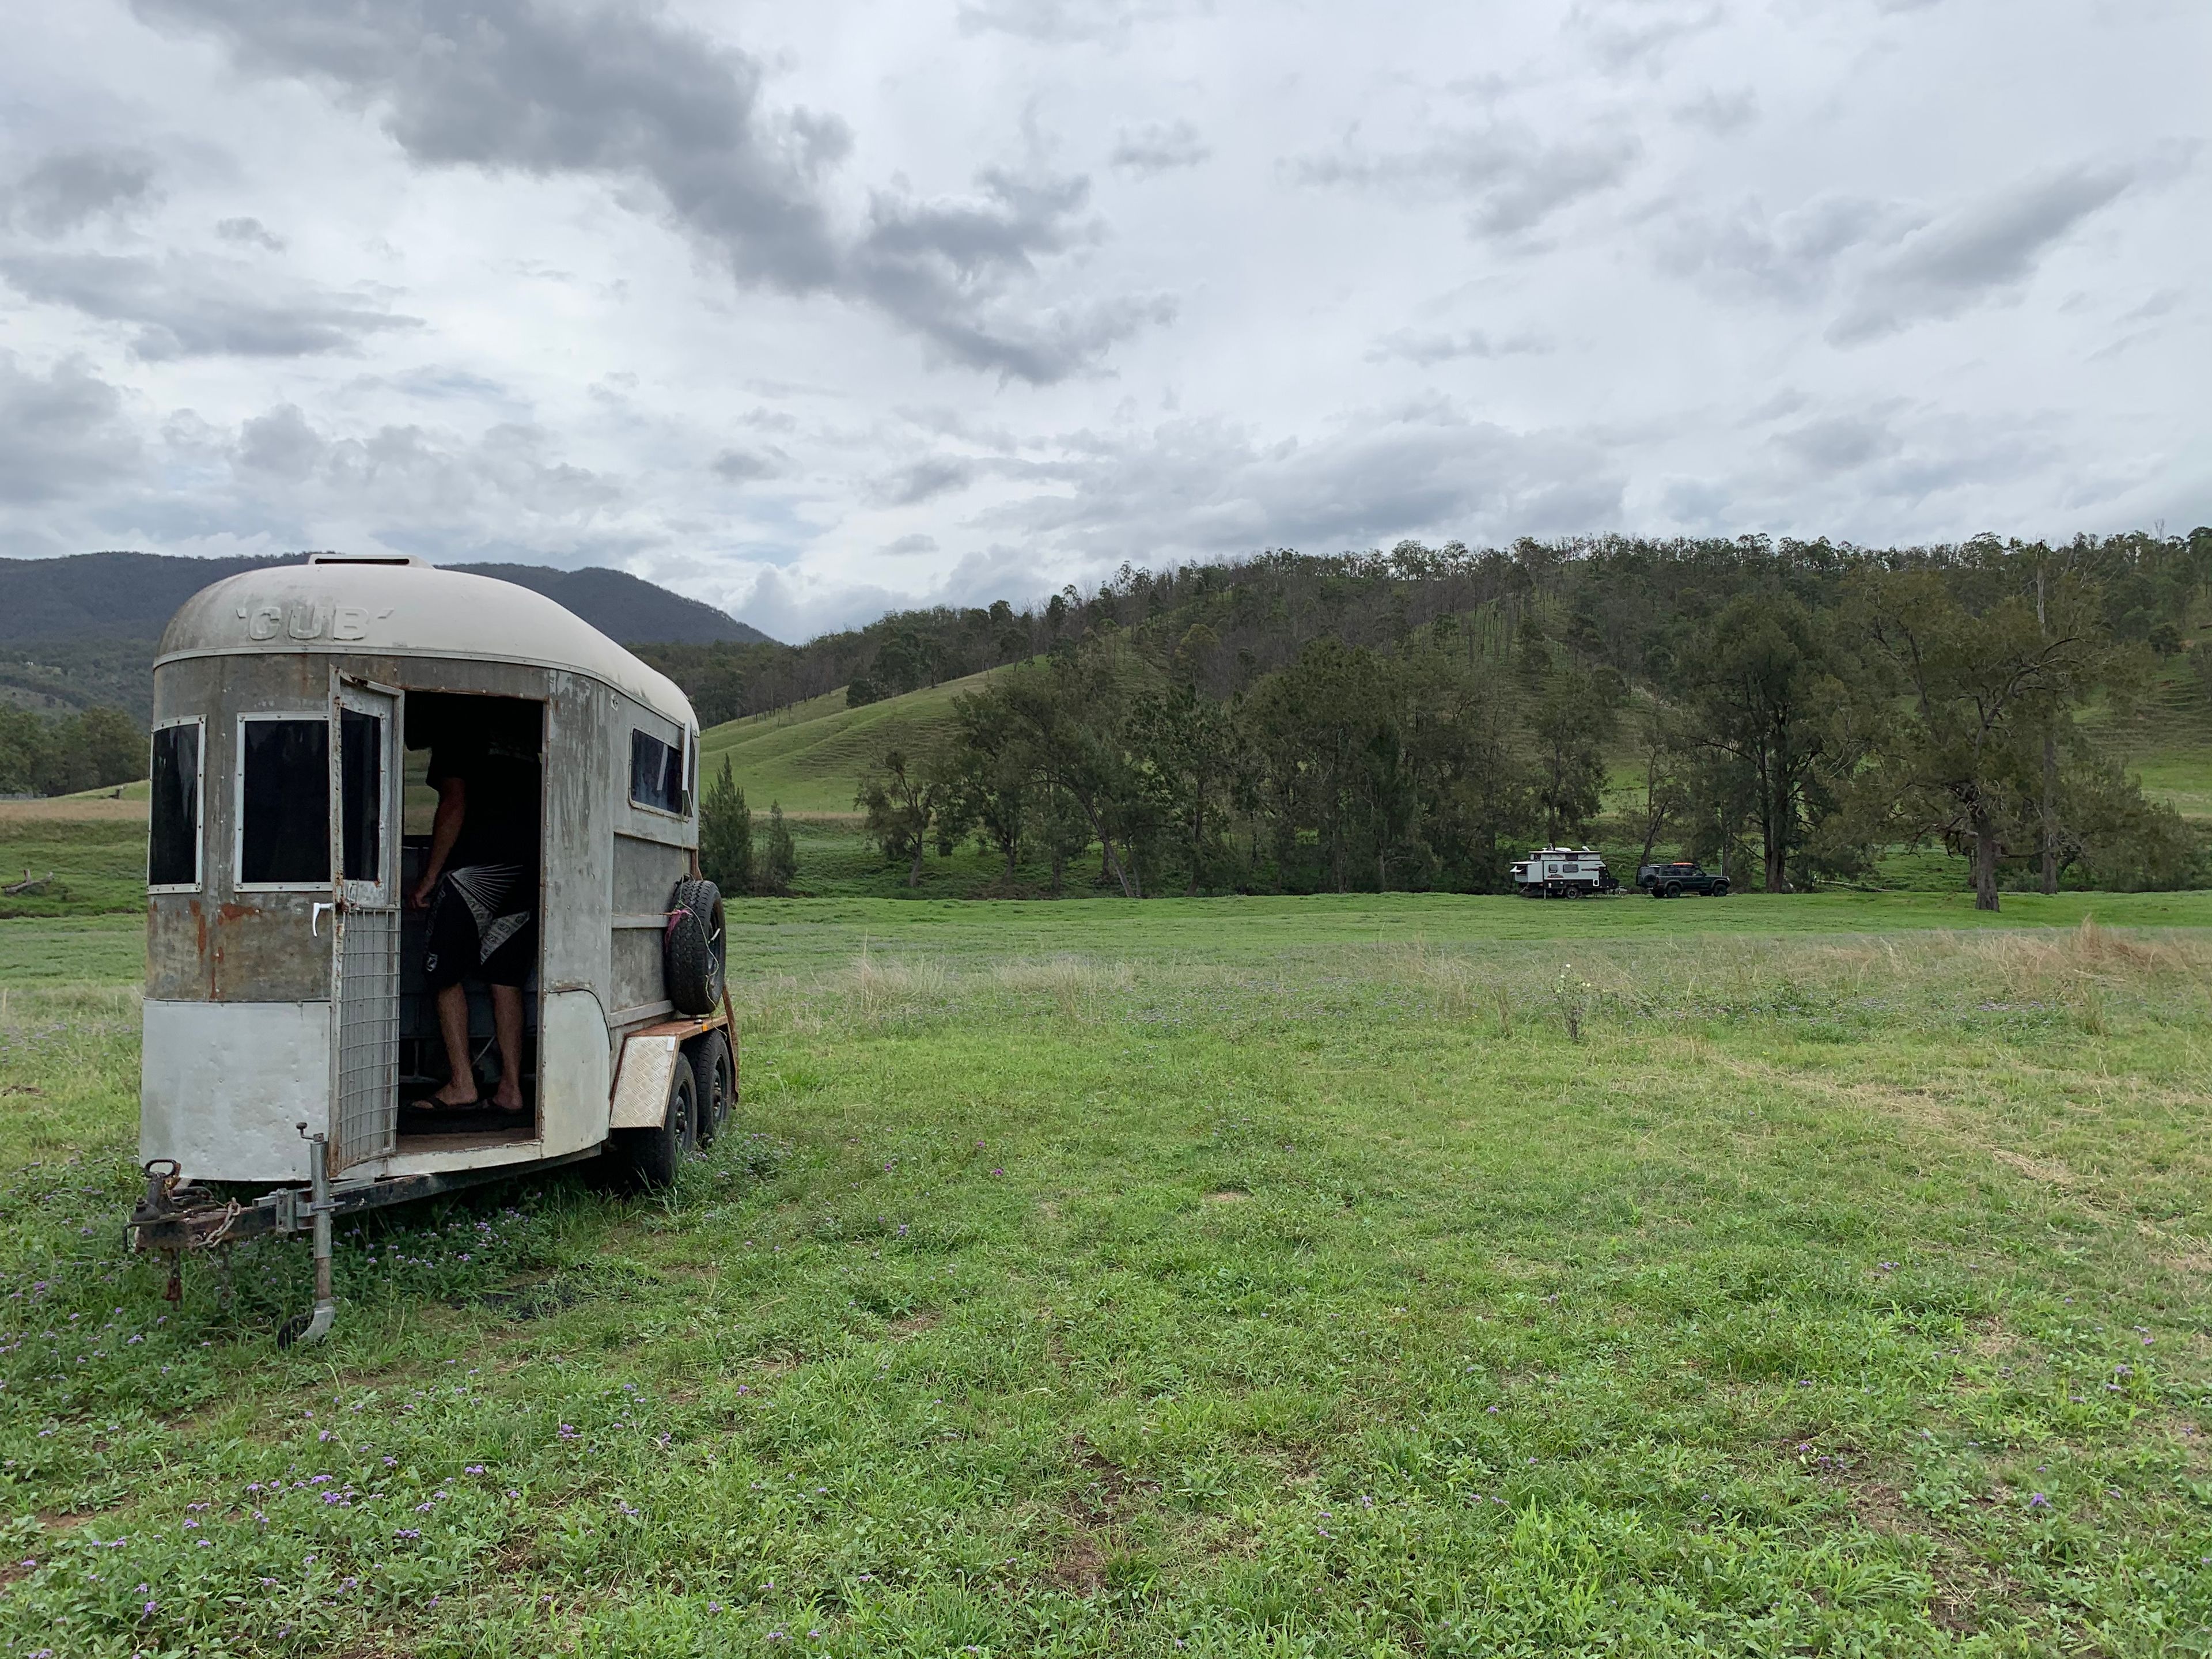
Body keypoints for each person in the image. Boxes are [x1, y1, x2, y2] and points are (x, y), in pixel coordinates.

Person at [408, 704, 541, 1115]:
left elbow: (454, 802)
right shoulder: (517, 731)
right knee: (505, 978)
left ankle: (463, 1084)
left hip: (477, 869)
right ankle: (510, 1090)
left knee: (441, 970)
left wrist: (430, 876)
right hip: (527, 867)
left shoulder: (455, 726)